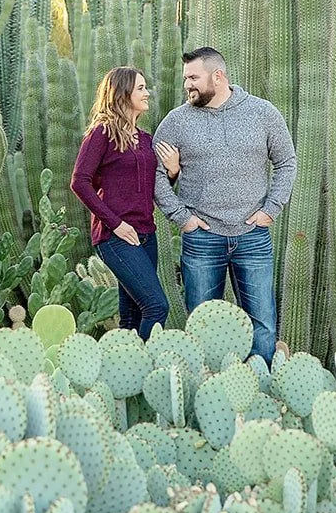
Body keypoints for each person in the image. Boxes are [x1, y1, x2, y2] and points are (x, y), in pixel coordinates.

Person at [152, 46, 296, 364]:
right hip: (202, 239)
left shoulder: (263, 113)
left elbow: (286, 161)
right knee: (201, 325)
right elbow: (156, 174)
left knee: (262, 323)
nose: (187, 85)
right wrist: (182, 217)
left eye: (193, 78)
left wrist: (271, 209)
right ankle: (209, 388)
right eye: (185, 78)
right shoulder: (176, 122)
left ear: (218, 77)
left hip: (252, 237)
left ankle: (261, 385)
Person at [69, 66, 171, 340]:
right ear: (123, 93)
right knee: (156, 306)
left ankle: (124, 365)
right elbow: (80, 182)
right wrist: (115, 224)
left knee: (133, 315)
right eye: (141, 88)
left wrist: (173, 172)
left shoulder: (146, 139)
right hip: (116, 237)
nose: (147, 93)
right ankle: (145, 362)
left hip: (146, 234)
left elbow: (152, 186)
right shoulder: (102, 133)